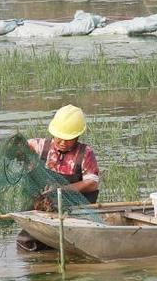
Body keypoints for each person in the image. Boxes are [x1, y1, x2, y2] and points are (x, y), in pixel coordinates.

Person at [17, 104, 100, 251]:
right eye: (59, 138)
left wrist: (63, 189)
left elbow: (92, 183)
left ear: (77, 137)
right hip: (43, 209)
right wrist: (16, 149)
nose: (62, 142)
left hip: (73, 210)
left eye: (68, 139)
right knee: (26, 244)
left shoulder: (85, 154)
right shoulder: (40, 146)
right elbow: (21, 148)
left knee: (72, 244)